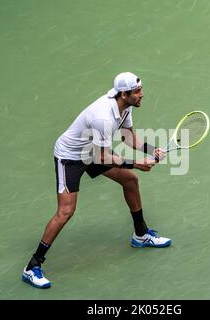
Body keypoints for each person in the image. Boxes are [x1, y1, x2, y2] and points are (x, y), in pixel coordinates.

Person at [22, 72, 172, 289]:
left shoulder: (125, 106)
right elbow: (103, 157)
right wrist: (137, 163)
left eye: (141, 90)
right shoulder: (103, 117)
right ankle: (32, 266)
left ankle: (140, 234)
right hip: (71, 157)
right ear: (124, 93)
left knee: (130, 180)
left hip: (92, 151)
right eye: (137, 91)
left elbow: (128, 138)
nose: (142, 95)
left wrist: (150, 150)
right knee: (66, 211)